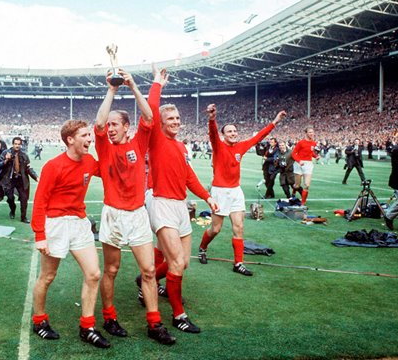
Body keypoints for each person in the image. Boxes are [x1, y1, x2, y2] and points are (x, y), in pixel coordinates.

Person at [94, 69, 175, 345]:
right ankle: (109, 316)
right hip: (113, 215)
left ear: (127, 126)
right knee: (111, 270)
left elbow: (150, 117)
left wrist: (132, 85)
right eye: (111, 125)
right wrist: (112, 90)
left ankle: (154, 323)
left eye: (117, 124)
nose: (112, 128)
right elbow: (99, 123)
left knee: (149, 271)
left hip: (137, 214)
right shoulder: (105, 146)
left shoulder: (139, 144)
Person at [145, 66, 219, 334]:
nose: (176, 121)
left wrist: (208, 196)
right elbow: (151, 110)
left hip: (179, 205)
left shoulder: (181, 146)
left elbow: (189, 177)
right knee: (176, 261)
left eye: (178, 118)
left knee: (183, 262)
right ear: (161, 123)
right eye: (171, 118)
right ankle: (178, 315)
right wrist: (158, 84)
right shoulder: (155, 139)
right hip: (161, 203)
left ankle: (147, 280)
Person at [30, 120, 110, 349]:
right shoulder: (53, 166)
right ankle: (39, 320)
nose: (89, 139)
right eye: (84, 135)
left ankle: (87, 327)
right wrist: (40, 235)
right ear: (70, 139)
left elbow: (108, 169)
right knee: (48, 276)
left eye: (89, 136)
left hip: (79, 222)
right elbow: (40, 202)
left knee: (94, 274)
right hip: (55, 224)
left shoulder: (89, 161)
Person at [197, 105, 286, 276]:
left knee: (239, 227)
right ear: (223, 135)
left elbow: (260, 136)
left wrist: (275, 121)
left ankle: (238, 263)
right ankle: (202, 248)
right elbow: (212, 134)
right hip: (220, 191)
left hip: (236, 191)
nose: (233, 133)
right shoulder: (218, 146)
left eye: (235, 131)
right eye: (229, 131)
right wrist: (212, 118)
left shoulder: (241, 147)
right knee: (215, 229)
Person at [0, 136, 39, 223]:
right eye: (15, 144)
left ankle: (23, 217)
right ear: (13, 144)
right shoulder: (6, 153)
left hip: (22, 179)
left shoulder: (24, 155)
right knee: (10, 198)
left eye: (19, 144)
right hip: (9, 179)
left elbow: (29, 168)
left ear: (21, 145)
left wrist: (36, 177)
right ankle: (12, 209)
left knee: (24, 198)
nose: (17, 146)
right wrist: (6, 160)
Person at [291, 127, 319, 205]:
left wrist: (316, 156)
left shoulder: (314, 143)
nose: (312, 134)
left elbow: (311, 152)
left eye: (312, 132)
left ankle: (302, 203)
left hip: (308, 164)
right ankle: (293, 193)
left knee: (307, 185)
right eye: (310, 132)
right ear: (306, 133)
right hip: (299, 164)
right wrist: (299, 161)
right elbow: (293, 153)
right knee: (297, 185)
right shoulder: (301, 142)